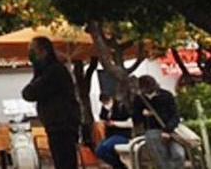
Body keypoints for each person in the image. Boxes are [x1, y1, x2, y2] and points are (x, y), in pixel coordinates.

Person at [22, 36, 81, 169]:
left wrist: (37, 72)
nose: (31, 54)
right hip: (56, 123)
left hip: (62, 123)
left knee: (65, 162)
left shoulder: (53, 71)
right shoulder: (48, 70)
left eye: (33, 50)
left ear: (44, 51)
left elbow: (30, 93)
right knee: (62, 161)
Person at [132, 75, 186, 169]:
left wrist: (167, 130)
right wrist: (142, 114)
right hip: (152, 130)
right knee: (161, 157)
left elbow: (175, 115)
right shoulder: (139, 99)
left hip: (170, 129)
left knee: (178, 153)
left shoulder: (166, 95)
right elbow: (136, 119)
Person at [95, 93, 133, 169]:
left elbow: (130, 124)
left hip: (122, 134)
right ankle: (118, 164)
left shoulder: (121, 107)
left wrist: (115, 123)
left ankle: (119, 166)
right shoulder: (104, 109)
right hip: (110, 135)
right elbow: (102, 118)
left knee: (105, 147)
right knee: (99, 151)